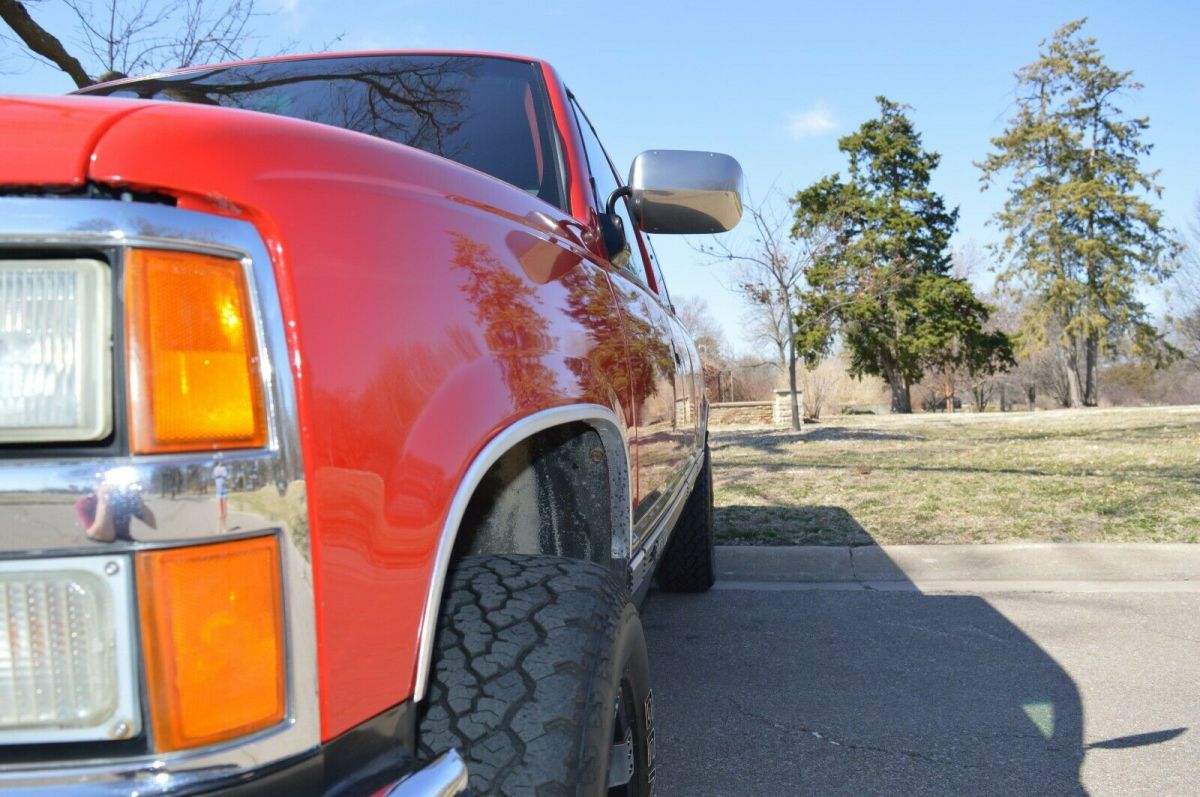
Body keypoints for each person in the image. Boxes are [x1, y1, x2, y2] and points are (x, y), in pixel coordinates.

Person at [77, 475, 157, 543]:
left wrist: (136, 497)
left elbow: (152, 524)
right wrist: (104, 500)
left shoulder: (126, 499)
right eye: (105, 480)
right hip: (97, 545)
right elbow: (103, 537)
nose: (112, 485)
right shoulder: (86, 503)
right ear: (97, 483)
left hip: (126, 541)